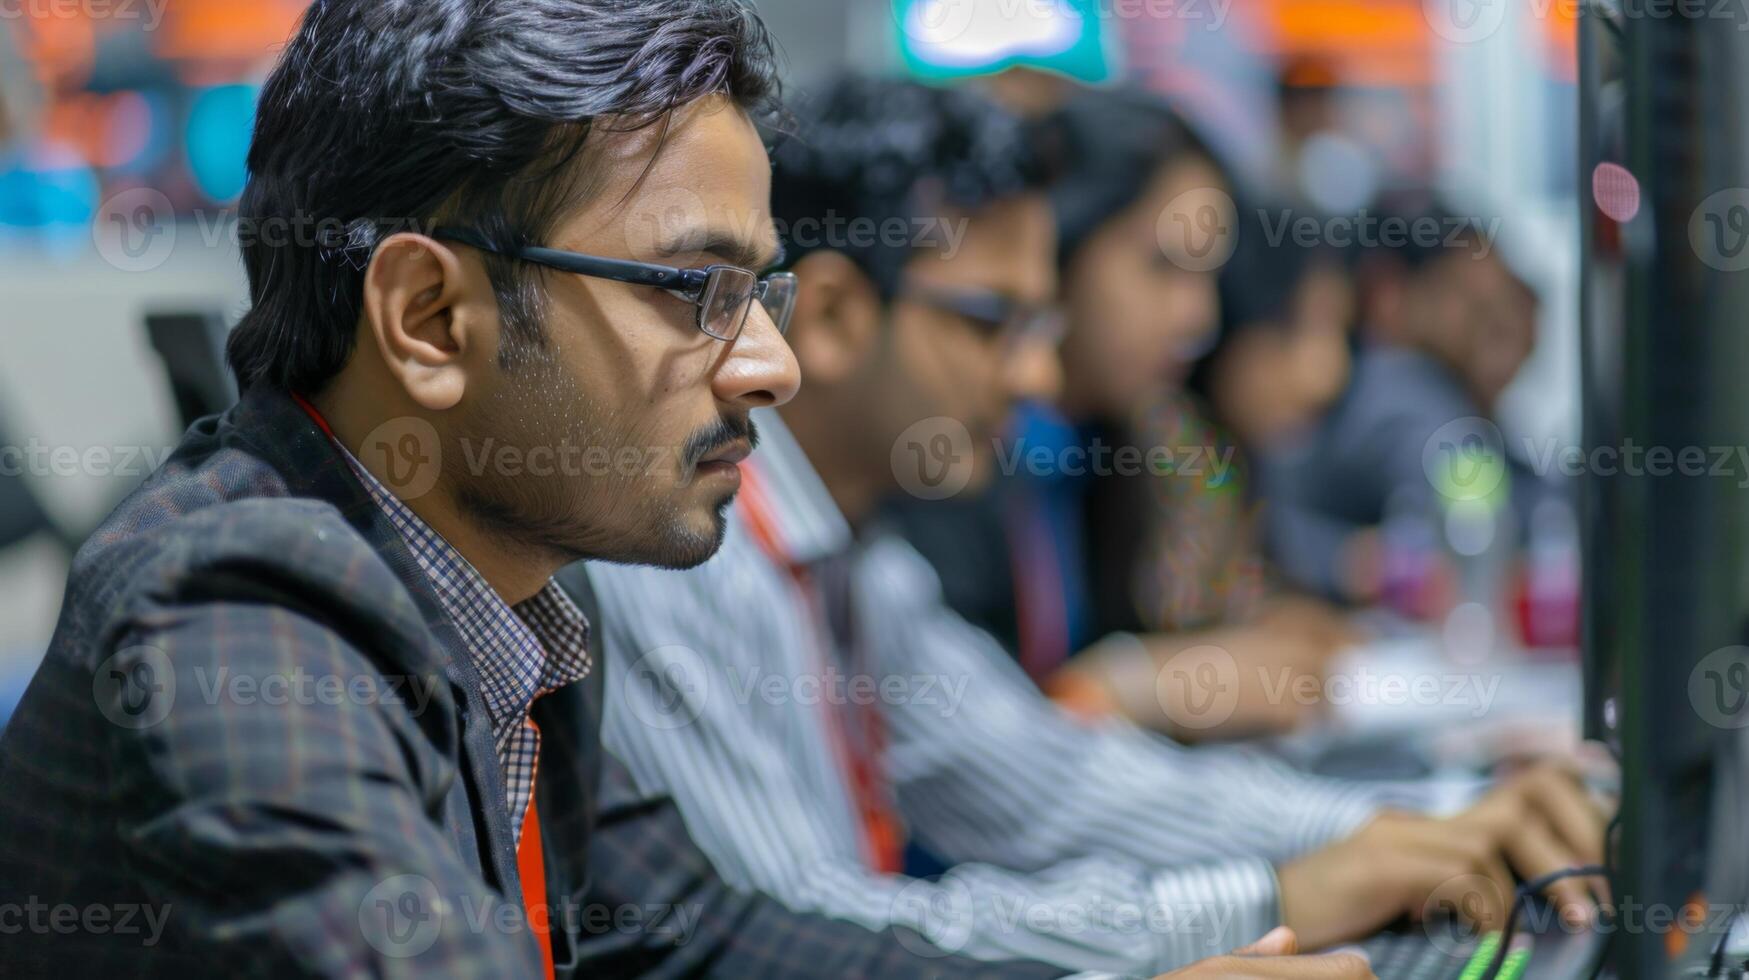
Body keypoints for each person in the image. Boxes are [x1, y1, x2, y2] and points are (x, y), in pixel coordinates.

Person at [0, 4, 1075, 977]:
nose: (772, 365)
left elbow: (694, 936)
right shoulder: (238, 610)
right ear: (429, 318)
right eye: (698, 290)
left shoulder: (514, 586)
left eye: (761, 293)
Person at [587, 78, 1609, 978]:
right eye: (995, 325)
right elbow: (798, 941)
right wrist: (1278, 892)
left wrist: (1391, 836)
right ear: (843, 317)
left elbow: (1047, 781)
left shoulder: (861, 558)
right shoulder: (684, 550)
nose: (1034, 374)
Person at [889, 92, 1355, 738]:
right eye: (1163, 266)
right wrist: (1118, 689)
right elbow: (953, 748)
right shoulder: (959, 447)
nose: (1198, 319)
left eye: (1207, 279)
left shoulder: (1116, 441)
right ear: (1056, 253)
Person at [1257, 209, 1542, 610]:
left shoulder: (1422, 388)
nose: (1501, 330)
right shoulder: (1403, 386)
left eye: (1509, 301)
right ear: (1387, 294)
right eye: (1473, 302)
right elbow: (1483, 534)